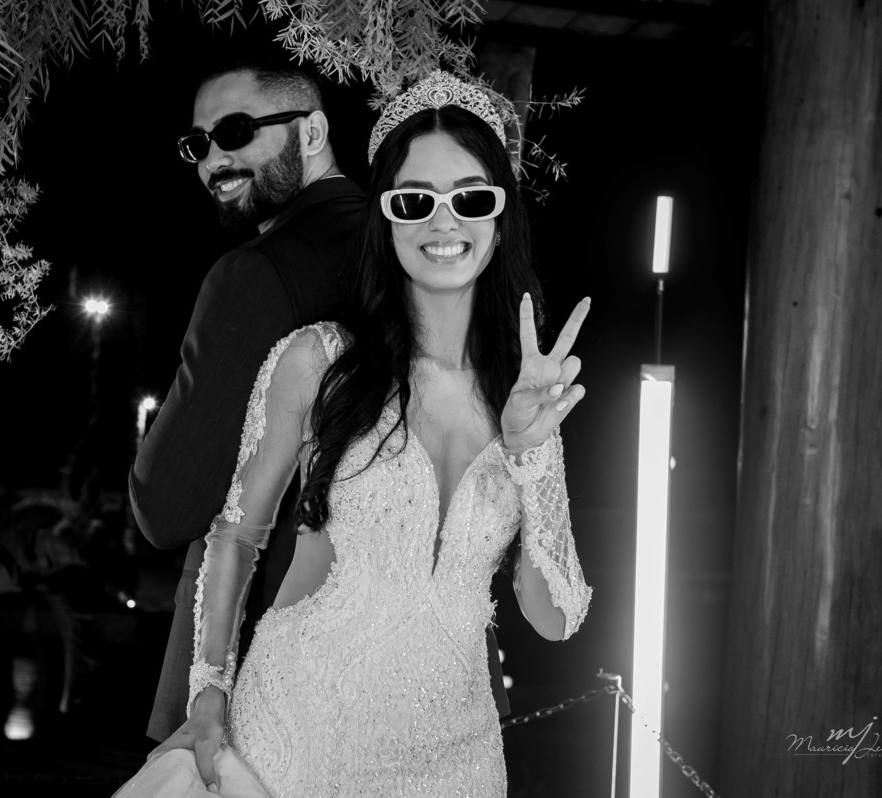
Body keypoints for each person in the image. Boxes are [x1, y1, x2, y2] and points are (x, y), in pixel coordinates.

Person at [116, 71, 593, 797]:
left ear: (499, 221)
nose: (443, 223)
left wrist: (533, 453)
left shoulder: (524, 398)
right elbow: (236, 534)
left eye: (471, 199)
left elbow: (554, 619)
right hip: (294, 742)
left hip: (459, 763)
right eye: (414, 201)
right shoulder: (318, 361)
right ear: (387, 219)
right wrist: (208, 691)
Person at [129, 58, 367, 743]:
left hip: (254, 670)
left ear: (313, 131)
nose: (213, 160)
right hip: (404, 668)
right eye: (196, 144)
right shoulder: (411, 249)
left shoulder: (256, 275)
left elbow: (166, 506)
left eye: (235, 131)